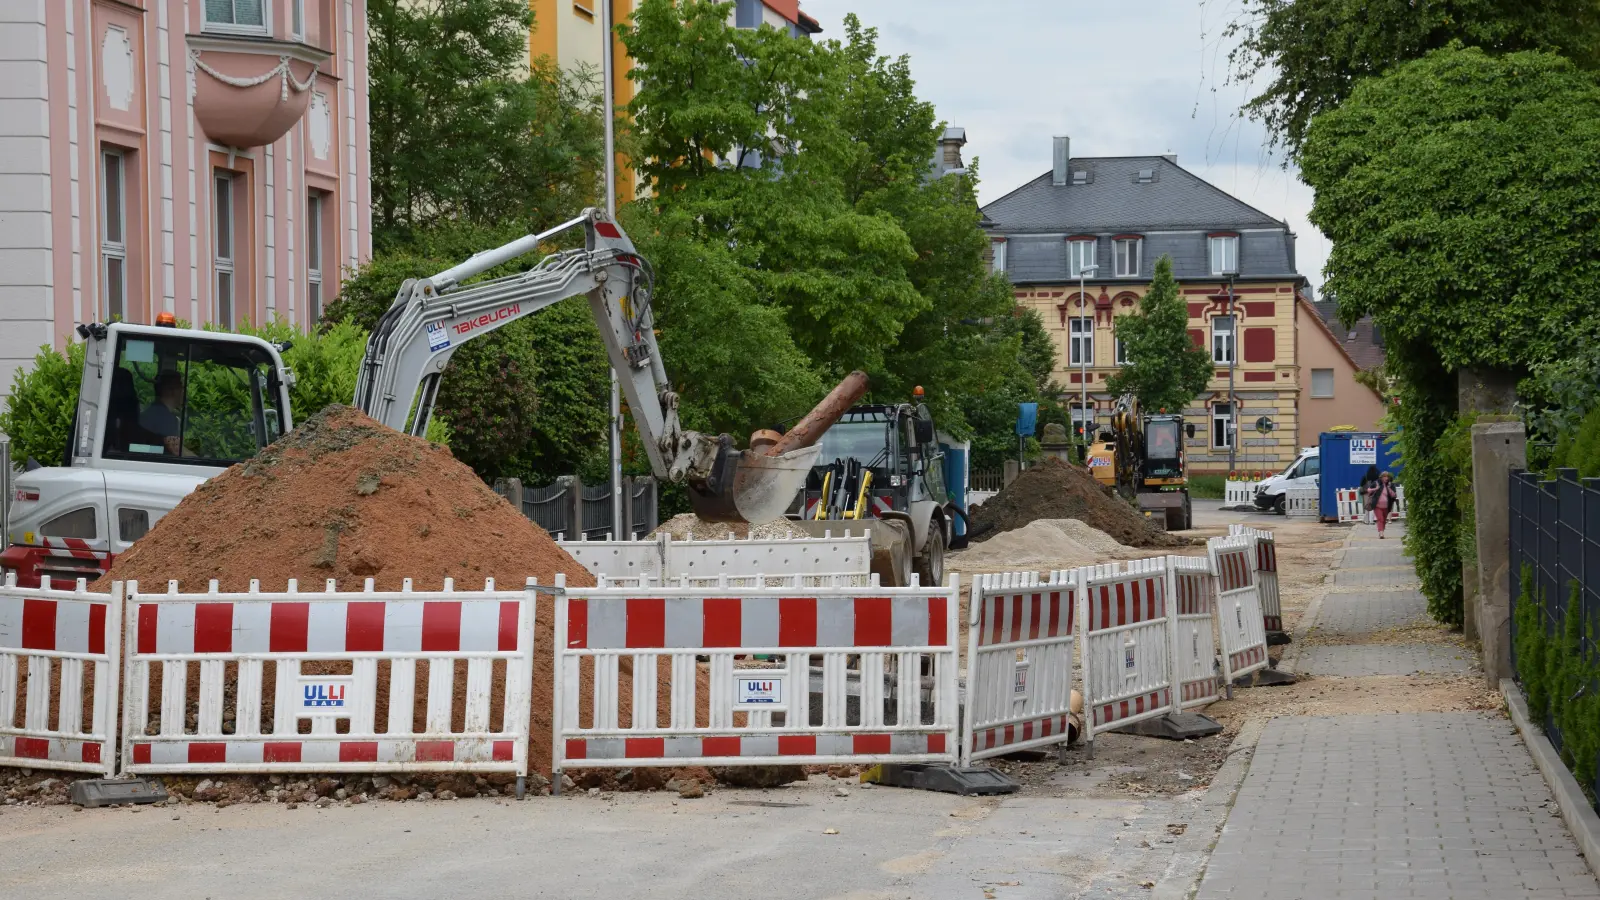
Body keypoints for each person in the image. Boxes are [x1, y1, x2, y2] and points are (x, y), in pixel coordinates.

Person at [139, 370, 186, 456]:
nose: (183, 392)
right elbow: (174, 452)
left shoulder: (151, 412)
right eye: (181, 387)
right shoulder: (167, 420)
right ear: (171, 391)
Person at [1366, 470, 1398, 538]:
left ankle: (1382, 531)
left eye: (1387, 476)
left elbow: (1394, 495)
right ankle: (1381, 533)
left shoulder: (1390, 485)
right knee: (1380, 519)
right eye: (1385, 476)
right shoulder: (1376, 483)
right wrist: (1375, 489)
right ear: (1381, 477)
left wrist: (1389, 489)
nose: (1386, 478)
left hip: (1386, 506)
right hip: (1377, 505)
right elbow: (1368, 490)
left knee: (1384, 520)